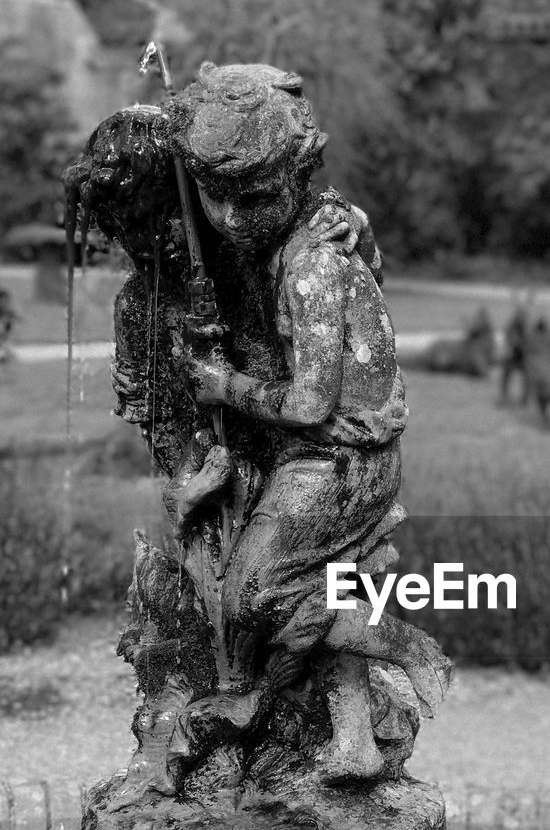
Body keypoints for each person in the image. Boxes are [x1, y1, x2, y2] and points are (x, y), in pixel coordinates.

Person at [166, 63, 449, 783]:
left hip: (339, 459)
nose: (230, 220)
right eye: (214, 196)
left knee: (254, 594)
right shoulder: (301, 235)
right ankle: (353, 743)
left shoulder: (311, 265)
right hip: (323, 453)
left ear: (295, 174)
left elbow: (308, 406)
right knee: (329, 582)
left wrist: (219, 384)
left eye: (252, 197)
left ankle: (407, 646)